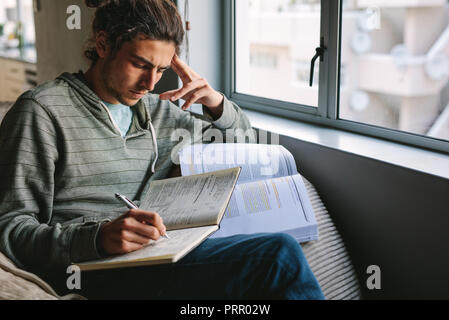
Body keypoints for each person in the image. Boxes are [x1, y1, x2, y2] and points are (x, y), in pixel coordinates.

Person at [0, 0, 324, 299]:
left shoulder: (157, 112)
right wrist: (97, 238)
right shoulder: (42, 111)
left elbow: (245, 143)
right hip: (90, 270)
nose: (151, 84)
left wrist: (215, 101)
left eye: (161, 70)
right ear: (102, 45)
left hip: (155, 257)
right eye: (140, 64)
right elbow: (11, 229)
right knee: (277, 256)